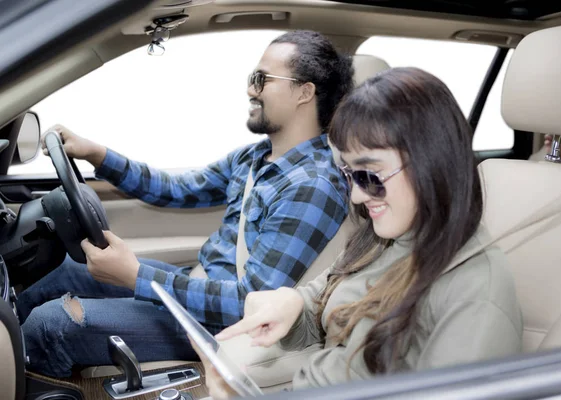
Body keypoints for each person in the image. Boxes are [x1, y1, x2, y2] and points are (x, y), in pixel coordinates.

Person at [16, 30, 354, 378]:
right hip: (198, 285)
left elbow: (249, 303)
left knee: (51, 324)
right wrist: (96, 154)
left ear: (304, 92)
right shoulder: (255, 157)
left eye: (261, 79)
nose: (250, 89)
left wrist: (135, 276)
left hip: (216, 324)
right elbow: (177, 189)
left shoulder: (313, 186)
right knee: (68, 268)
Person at [197, 67, 523, 398]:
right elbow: (327, 295)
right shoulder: (384, 236)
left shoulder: (476, 291)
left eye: (370, 175)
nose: (356, 196)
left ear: (431, 162)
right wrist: (293, 304)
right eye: (349, 174)